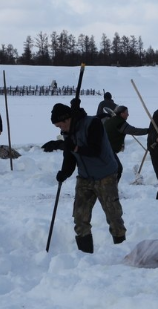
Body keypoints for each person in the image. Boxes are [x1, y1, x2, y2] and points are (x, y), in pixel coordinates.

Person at [51, 101, 127, 253]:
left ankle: (121, 251)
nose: (61, 129)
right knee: (80, 217)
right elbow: (70, 157)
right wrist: (64, 173)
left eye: (60, 125)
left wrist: (75, 147)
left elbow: (95, 150)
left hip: (106, 175)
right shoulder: (68, 133)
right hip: (85, 177)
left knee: (113, 216)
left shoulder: (93, 123)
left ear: (67, 119)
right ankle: (85, 256)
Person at [103, 105, 149, 180]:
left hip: (104, 148)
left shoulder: (110, 120)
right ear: (121, 114)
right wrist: (148, 130)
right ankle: (111, 189)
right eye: (126, 112)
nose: (128, 114)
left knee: (111, 169)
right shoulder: (120, 123)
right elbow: (134, 131)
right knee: (118, 169)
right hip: (108, 150)